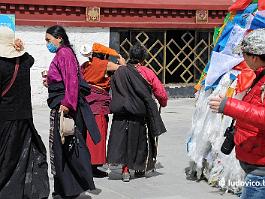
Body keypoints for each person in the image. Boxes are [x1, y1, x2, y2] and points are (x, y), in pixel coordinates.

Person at [43, 25, 101, 198]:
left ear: (59, 38)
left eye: (48, 40)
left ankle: (69, 189)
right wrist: (50, 81)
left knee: (65, 148)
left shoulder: (64, 54)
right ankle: (64, 189)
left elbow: (72, 82)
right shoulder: (63, 53)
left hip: (64, 107)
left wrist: (67, 104)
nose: (47, 44)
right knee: (62, 149)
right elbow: (64, 79)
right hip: (61, 103)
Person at [209, 28, 265, 199]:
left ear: (254, 57)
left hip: (260, 168)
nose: (244, 59)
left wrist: (229, 106)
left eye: (245, 55)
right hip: (255, 159)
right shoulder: (260, 75)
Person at [0, 24, 49, 198]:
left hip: (4, 119)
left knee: (5, 160)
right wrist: (21, 48)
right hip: (24, 119)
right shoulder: (25, 61)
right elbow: (31, 59)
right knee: (20, 157)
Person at [107, 43, 167, 182]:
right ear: (143, 59)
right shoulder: (147, 72)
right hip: (138, 113)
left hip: (121, 112)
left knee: (121, 141)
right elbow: (160, 93)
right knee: (138, 141)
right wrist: (162, 103)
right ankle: (139, 168)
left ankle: (125, 170)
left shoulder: (120, 71)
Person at [81, 43, 126, 177]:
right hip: (98, 105)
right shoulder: (104, 64)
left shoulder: (85, 65)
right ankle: (93, 166)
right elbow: (123, 70)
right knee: (97, 135)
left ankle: (86, 164)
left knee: (87, 135)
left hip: (86, 103)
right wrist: (119, 57)